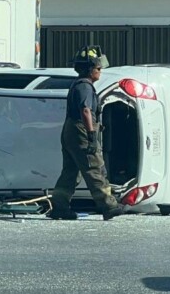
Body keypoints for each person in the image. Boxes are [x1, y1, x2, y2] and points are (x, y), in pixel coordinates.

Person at [49, 46, 123, 221]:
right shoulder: (85, 86)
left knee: (70, 172)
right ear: (90, 69)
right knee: (94, 168)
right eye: (98, 69)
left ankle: (59, 206)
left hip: (71, 130)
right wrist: (91, 135)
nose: (100, 72)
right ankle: (108, 205)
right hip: (80, 130)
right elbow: (86, 110)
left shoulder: (78, 84)